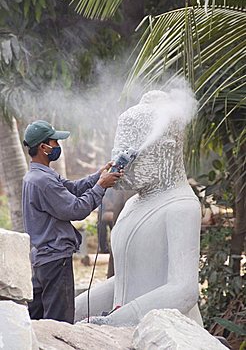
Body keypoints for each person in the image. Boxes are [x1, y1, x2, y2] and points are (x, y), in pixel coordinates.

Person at [75, 89, 203, 326]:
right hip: (125, 327)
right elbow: (126, 279)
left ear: (166, 150)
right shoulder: (133, 204)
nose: (119, 164)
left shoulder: (181, 208)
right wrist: (78, 307)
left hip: (168, 333)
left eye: (129, 155)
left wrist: (114, 321)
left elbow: (183, 291)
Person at [22, 120, 122, 324]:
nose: (58, 146)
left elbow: (71, 188)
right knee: (59, 324)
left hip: (42, 259)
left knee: (39, 323)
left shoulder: (36, 176)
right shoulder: (44, 181)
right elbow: (76, 209)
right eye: (55, 142)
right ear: (43, 147)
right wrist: (101, 187)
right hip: (55, 260)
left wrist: (97, 176)